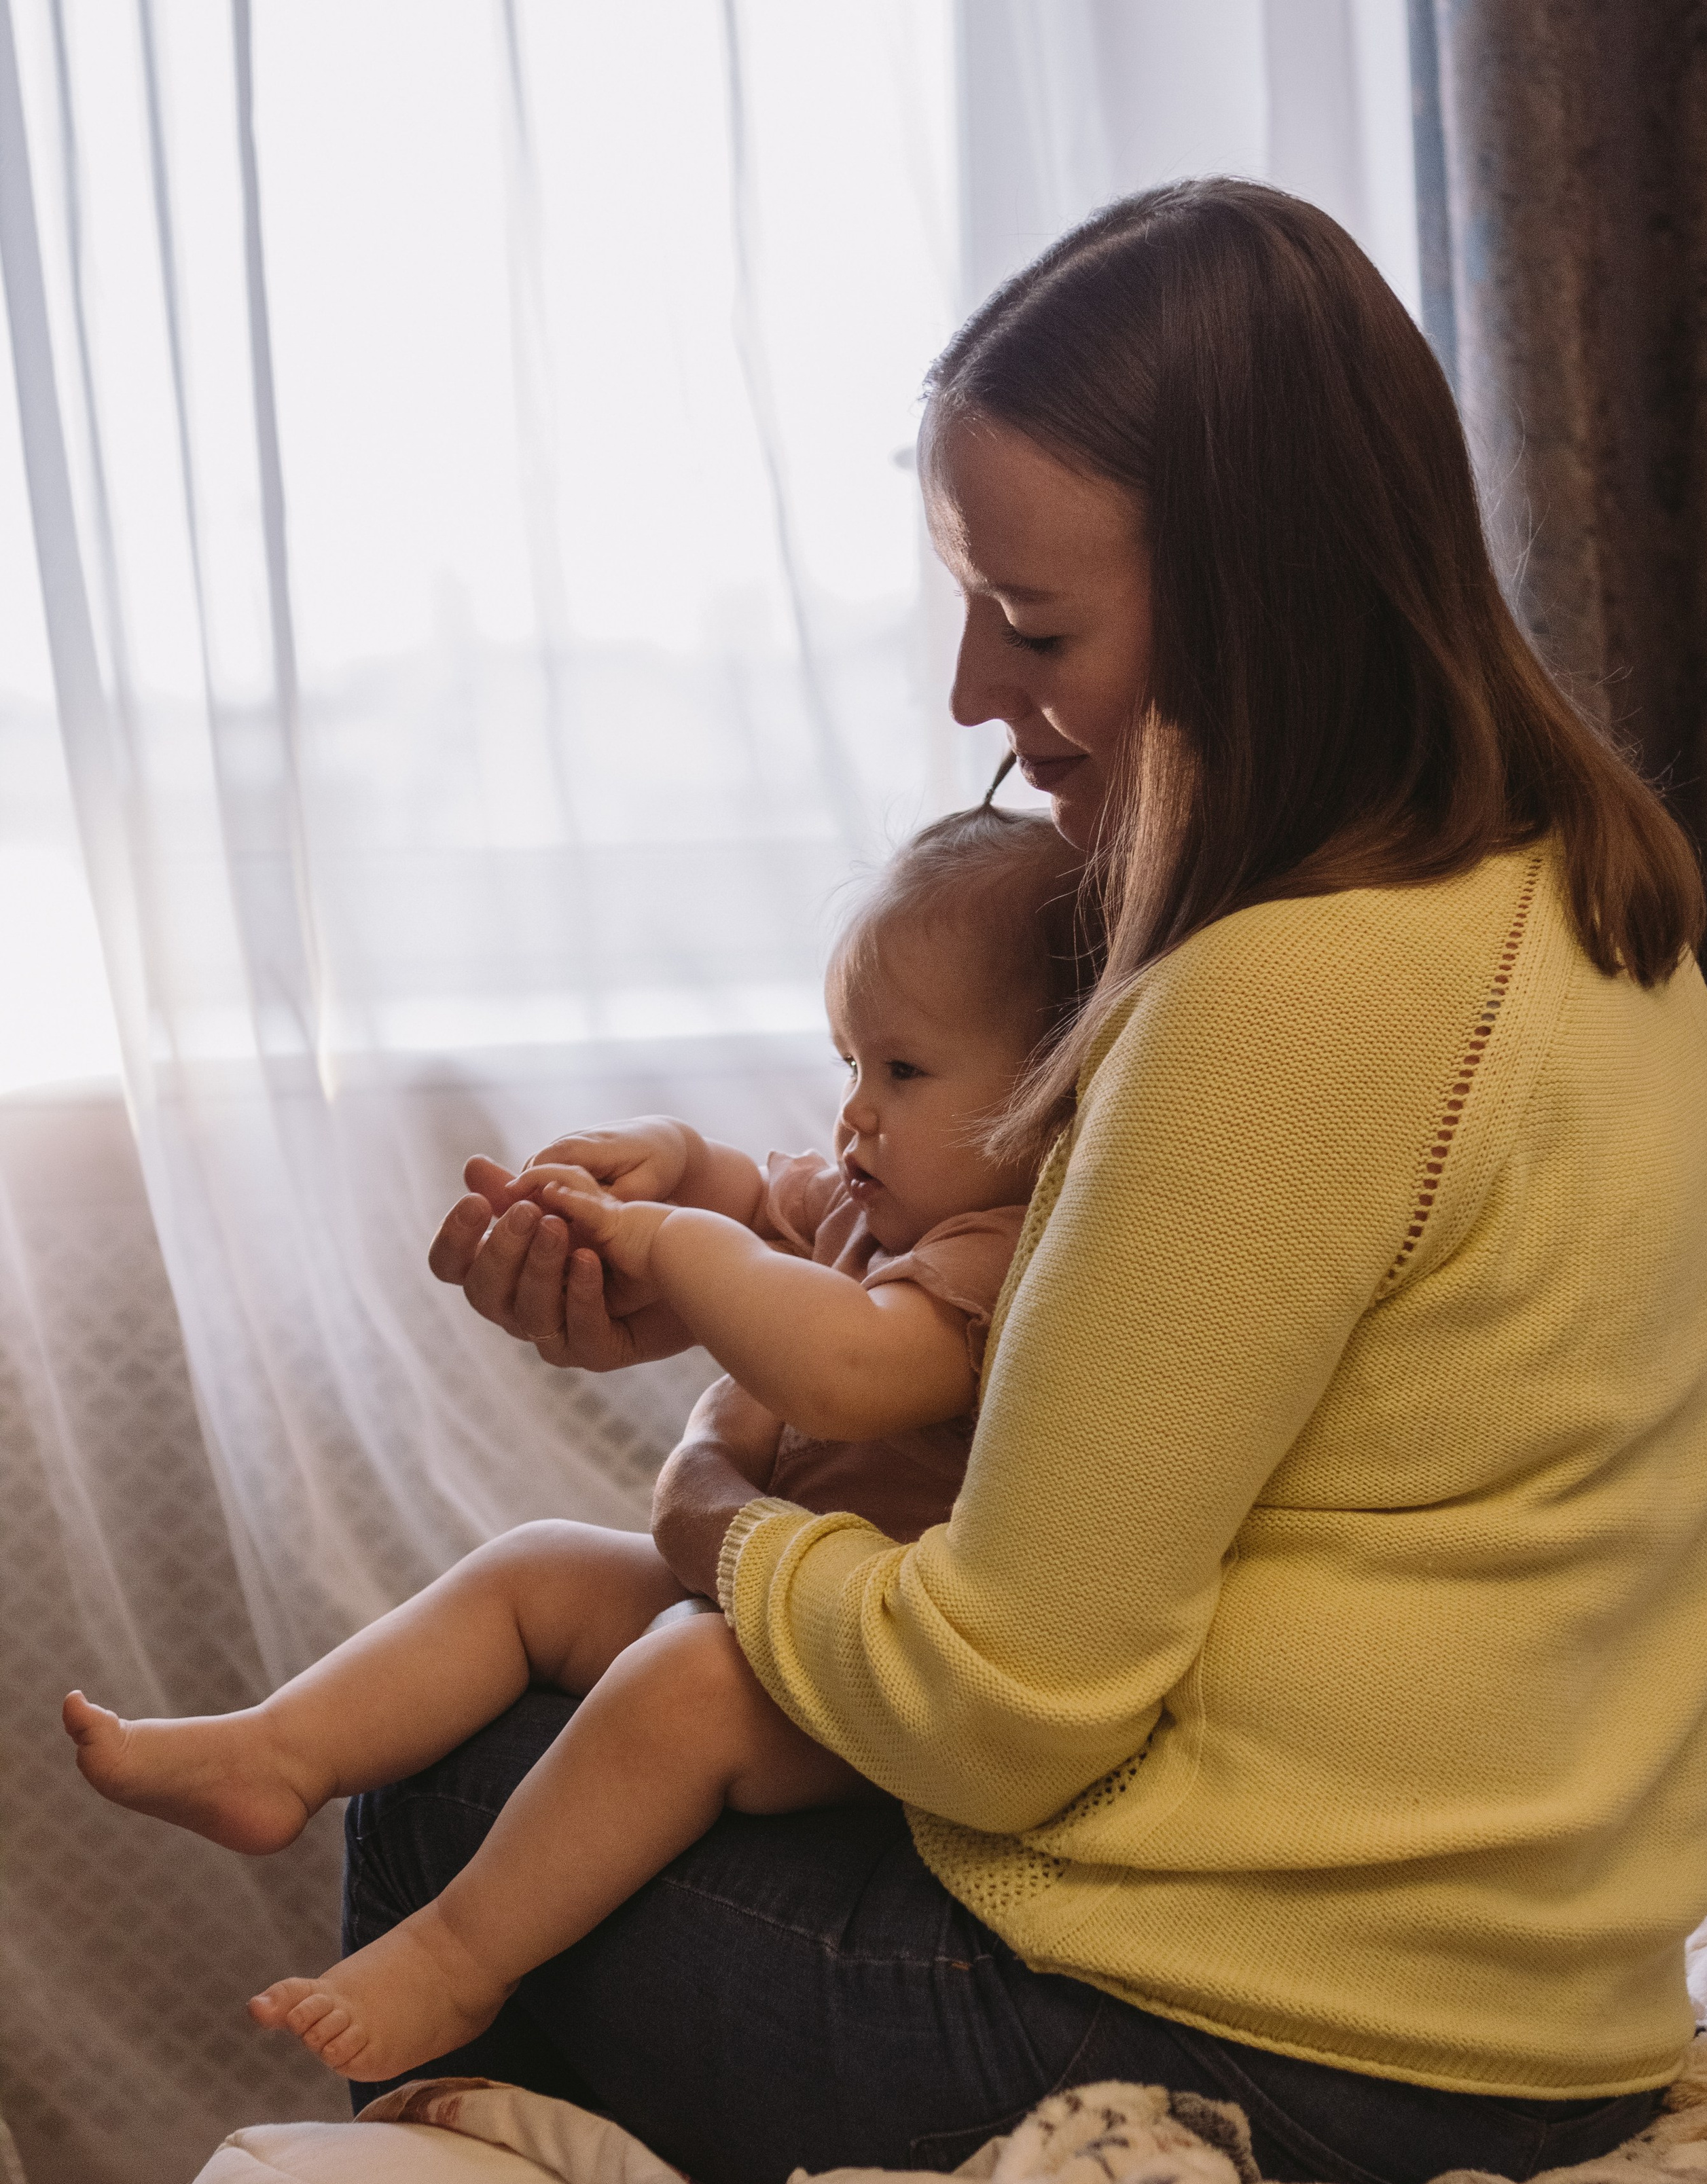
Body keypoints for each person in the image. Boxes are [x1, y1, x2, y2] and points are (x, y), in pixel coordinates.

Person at [367, 180, 1707, 2184]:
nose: (964, 697)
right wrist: (757, 1239)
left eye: (1034, 626)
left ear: (1267, 594)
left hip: (1277, 2049)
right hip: (1540, 2005)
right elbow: (1152, 1332)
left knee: (438, 1771)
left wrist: (712, 1510)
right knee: (628, 1726)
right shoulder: (1583, 911)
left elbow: (1002, 1703)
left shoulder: (1284, 992)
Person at [64, 808, 1083, 2083]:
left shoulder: (1010, 1248)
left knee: (685, 1677)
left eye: (905, 1074)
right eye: (848, 1064)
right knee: (538, 1565)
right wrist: (680, 1166)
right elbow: (766, 1197)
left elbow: (850, 1369)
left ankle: (455, 1961)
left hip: (884, 1694)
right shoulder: (889, 1199)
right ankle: (275, 1751)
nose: (853, 1118)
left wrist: (676, 1248)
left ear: (1053, 1098)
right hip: (783, 1601)